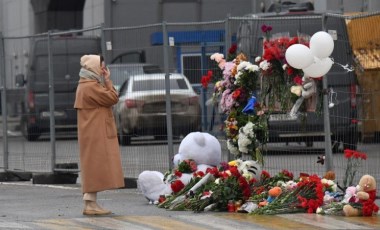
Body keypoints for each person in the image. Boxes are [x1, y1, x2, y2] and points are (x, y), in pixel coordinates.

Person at [74, 54, 125, 215]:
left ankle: (91, 202)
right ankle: (90, 204)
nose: (104, 70)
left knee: (93, 167)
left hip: (94, 132)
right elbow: (113, 97)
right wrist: (108, 80)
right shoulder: (90, 86)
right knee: (94, 167)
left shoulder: (89, 84)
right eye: (102, 67)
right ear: (94, 68)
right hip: (95, 133)